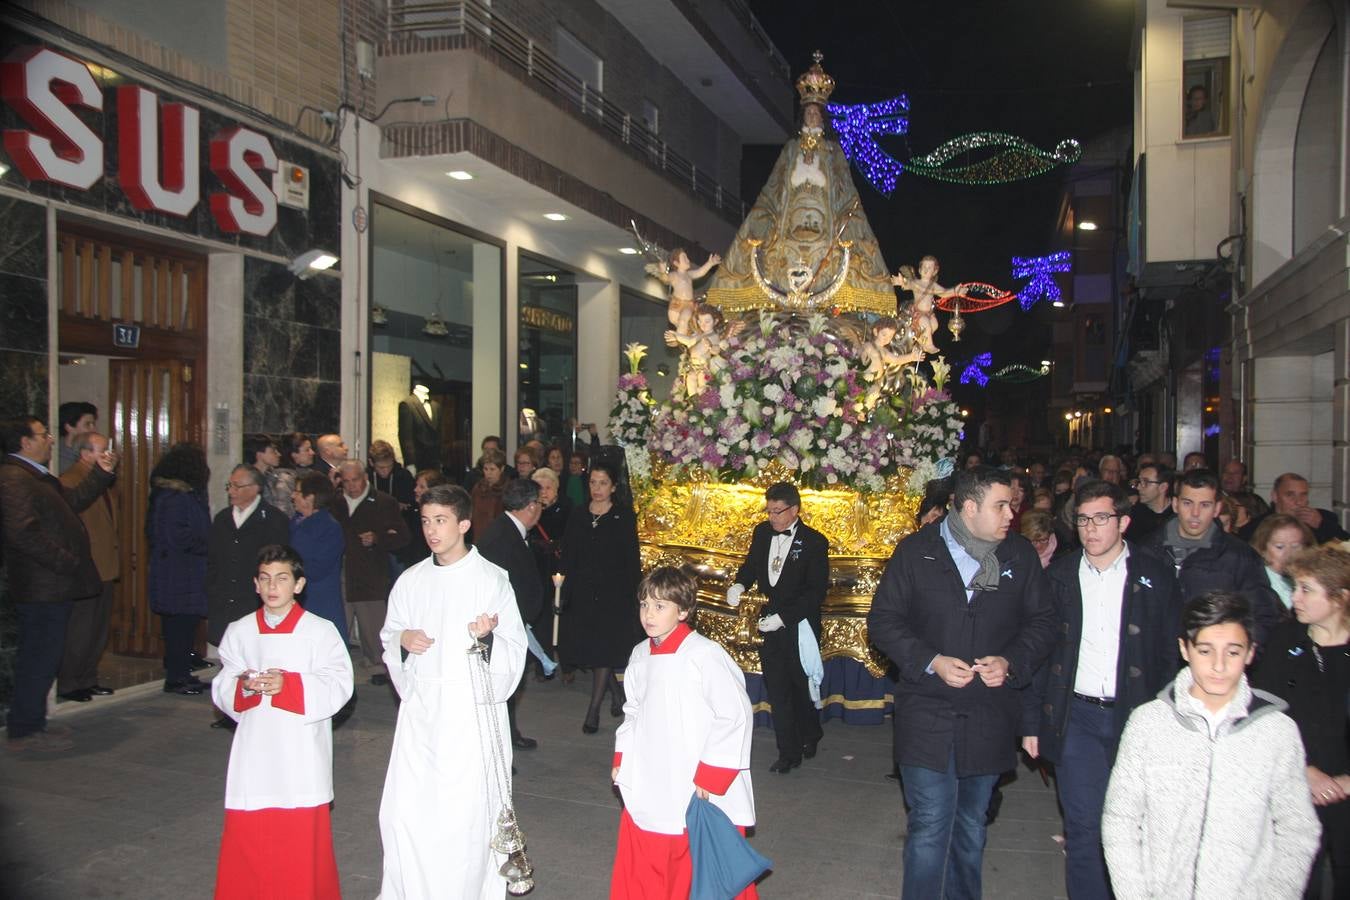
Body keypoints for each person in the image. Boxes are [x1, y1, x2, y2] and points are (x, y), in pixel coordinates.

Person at [867, 465, 1056, 900]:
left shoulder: (1019, 556)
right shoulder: (917, 552)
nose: (1012, 513)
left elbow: (1044, 624)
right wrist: (930, 660)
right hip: (927, 711)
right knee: (931, 823)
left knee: (971, 825)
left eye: (1013, 504)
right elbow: (883, 621)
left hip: (989, 714)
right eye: (1001, 505)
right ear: (969, 507)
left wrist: (1010, 661)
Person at [1022, 479, 1182, 900]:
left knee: (1135, 823)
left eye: (1102, 518)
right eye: (1083, 519)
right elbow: (1039, 651)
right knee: (1083, 827)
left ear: (1123, 522)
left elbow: (1170, 653)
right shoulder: (1060, 575)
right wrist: (1032, 721)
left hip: (1137, 717)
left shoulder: (1154, 575)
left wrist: (1171, 717)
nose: (1091, 528)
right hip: (1078, 718)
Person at [1101, 591, 1320, 898]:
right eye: (1205, 651)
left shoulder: (1276, 732)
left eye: (1232, 652)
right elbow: (1121, 819)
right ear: (1185, 649)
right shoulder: (1148, 723)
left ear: (1250, 653)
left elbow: (1297, 829)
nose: (1218, 666)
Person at [377, 484, 527, 899]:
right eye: (425, 521)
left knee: (465, 818)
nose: (431, 530)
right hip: (423, 717)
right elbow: (389, 636)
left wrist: (488, 641)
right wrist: (403, 640)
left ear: (463, 524)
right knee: (408, 814)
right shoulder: (410, 581)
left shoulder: (491, 580)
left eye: (440, 520)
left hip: (471, 717)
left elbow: (515, 650)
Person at [211, 544, 353, 900]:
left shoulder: (320, 632)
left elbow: (340, 684)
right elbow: (223, 681)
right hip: (255, 754)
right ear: (255, 585)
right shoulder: (240, 631)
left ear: (299, 584)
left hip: (300, 755)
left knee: (300, 847)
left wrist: (288, 686)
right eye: (265, 579)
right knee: (250, 843)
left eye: (282, 578)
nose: (273, 587)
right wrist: (242, 686)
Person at [610, 566, 758, 899]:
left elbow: (734, 714)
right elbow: (632, 711)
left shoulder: (704, 655)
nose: (649, 614)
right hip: (652, 774)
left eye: (660, 606)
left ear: (684, 610)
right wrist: (623, 758)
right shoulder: (639, 654)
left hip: (694, 777)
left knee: (693, 865)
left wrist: (711, 775)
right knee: (648, 857)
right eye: (644, 604)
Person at [1, 416, 117, 751]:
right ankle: (24, 728)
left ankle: (33, 722)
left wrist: (102, 474)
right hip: (43, 585)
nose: (50, 440)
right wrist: (65, 560)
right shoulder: (13, 478)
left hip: (52, 584)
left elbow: (73, 502)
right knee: (38, 656)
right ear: (25, 442)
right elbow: (23, 532)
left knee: (46, 656)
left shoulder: (34, 476)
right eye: (43, 435)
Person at [1253, 546, 1350, 899]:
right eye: (1295, 587)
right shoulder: (1285, 640)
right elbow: (1262, 714)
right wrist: (1305, 771)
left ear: (1340, 597)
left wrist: (1344, 782)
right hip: (1293, 785)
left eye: (1306, 589)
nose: (1295, 598)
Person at [726, 482, 829, 773]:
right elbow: (751, 565)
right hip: (767, 623)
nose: (771, 517)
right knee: (778, 686)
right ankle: (788, 752)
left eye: (777, 511)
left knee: (800, 686)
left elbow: (815, 593)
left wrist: (784, 618)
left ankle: (811, 732)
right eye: (768, 511)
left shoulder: (815, 542)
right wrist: (739, 583)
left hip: (799, 626)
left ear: (794, 510)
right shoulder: (762, 532)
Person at [1142, 468, 1282, 650]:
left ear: (1216, 508)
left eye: (1205, 505)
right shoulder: (1146, 550)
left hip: (1216, 663)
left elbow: (1262, 614)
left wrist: (1239, 657)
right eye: (1187, 503)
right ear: (1175, 504)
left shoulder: (1239, 557)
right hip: (1158, 665)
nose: (1195, 513)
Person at [559, 460, 643, 733]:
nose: (597, 488)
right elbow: (569, 553)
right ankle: (616, 695)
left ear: (614, 487)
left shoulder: (623, 516)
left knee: (604, 648)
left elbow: (631, 558)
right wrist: (563, 588)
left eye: (603, 483)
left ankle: (593, 710)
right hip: (583, 591)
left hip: (613, 594)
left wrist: (634, 594)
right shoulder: (578, 514)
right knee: (590, 647)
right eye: (593, 482)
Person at [207, 464, 289, 726]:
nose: (231, 491)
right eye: (229, 486)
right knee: (229, 655)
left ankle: (256, 706)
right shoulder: (222, 518)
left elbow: (278, 561)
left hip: (251, 597)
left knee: (254, 653)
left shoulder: (273, 519)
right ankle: (228, 707)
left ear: (254, 489)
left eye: (237, 486)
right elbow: (214, 559)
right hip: (224, 596)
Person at [476, 478, 546, 751]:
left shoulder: (509, 530)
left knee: (512, 682)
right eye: (539, 504)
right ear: (530, 506)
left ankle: (510, 733)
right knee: (501, 684)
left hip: (514, 623)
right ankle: (496, 745)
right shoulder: (500, 536)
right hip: (502, 627)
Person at [331, 460, 410, 685]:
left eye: (355, 480)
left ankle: (378, 664)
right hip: (343, 569)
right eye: (346, 481)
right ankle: (336, 663)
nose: (351, 485)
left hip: (371, 571)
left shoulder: (384, 502)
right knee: (341, 619)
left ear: (364, 477)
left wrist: (378, 538)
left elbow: (403, 537)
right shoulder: (335, 503)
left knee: (372, 622)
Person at [56, 431, 121, 702]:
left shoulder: (104, 481)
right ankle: (70, 683)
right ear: (85, 454)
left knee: (98, 628)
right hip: (87, 567)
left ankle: (88, 678)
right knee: (80, 628)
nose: (109, 455)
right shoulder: (70, 481)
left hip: (105, 564)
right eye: (101, 450)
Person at [148, 443, 212, 696]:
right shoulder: (175, 499)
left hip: (182, 571)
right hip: (179, 573)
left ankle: (182, 671)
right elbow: (178, 537)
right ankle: (176, 677)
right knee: (179, 626)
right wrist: (207, 544)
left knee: (183, 626)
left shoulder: (178, 496)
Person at [289, 473, 347, 644]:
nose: (293, 495)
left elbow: (316, 569)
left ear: (310, 498)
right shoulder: (295, 522)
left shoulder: (329, 527)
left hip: (318, 601)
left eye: (298, 492)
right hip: (297, 598)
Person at [531, 466, 571, 675]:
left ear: (556, 488)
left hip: (559, 566)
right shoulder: (532, 509)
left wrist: (557, 545)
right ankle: (542, 661)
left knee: (562, 614)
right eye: (540, 488)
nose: (544, 492)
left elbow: (572, 538)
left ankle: (567, 664)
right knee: (541, 616)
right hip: (538, 567)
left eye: (548, 487)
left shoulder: (567, 508)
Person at [892, 256, 962, 355]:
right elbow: (907, 284)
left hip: (929, 313)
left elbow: (944, 293)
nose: (926, 269)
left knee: (935, 324)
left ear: (934, 272)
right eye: (924, 267)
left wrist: (956, 291)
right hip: (917, 313)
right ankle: (929, 345)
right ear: (920, 270)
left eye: (929, 268)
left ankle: (921, 340)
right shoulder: (916, 283)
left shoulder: (933, 285)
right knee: (926, 324)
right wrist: (900, 282)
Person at [1251, 513, 1316, 612]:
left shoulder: (1310, 578)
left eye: (1295, 546)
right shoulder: (1260, 585)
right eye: (1280, 547)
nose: (1289, 554)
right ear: (1263, 549)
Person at [653, 247, 721, 337]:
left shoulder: (689, 275)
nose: (688, 260)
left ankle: (682, 339)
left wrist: (710, 263)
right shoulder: (675, 275)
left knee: (683, 321)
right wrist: (662, 272)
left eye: (687, 258)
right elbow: (665, 279)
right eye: (684, 258)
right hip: (676, 305)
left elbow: (700, 272)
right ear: (676, 263)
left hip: (688, 305)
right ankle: (682, 339)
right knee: (681, 324)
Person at [1266, 473, 1350, 546]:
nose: (1298, 501)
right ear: (1275, 496)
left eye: (1303, 495)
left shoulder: (1323, 517)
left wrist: (1321, 525)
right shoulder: (1261, 525)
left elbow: (1346, 545)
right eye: (1290, 495)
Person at [244, 433, 294, 518]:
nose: (278, 454)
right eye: (273, 451)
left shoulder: (275, 477)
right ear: (259, 454)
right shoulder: (246, 480)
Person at [469, 447, 510, 539]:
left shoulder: (509, 489)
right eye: (485, 469)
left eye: (492, 469)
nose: (488, 473)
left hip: (501, 536)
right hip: (479, 535)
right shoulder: (478, 488)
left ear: (502, 469)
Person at [1125, 462, 1173, 542]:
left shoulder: (1177, 512)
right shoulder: (1134, 514)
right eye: (1139, 482)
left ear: (1163, 487)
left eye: (1146, 482)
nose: (1139, 487)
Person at [367, 439, 415, 511]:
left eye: (390, 466)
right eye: (381, 468)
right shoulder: (365, 477)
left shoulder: (404, 476)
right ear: (371, 463)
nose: (386, 471)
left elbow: (411, 503)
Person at [56, 400, 97, 474]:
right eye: (87, 424)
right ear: (69, 427)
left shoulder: (94, 452)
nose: (93, 429)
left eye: (93, 424)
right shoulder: (56, 458)